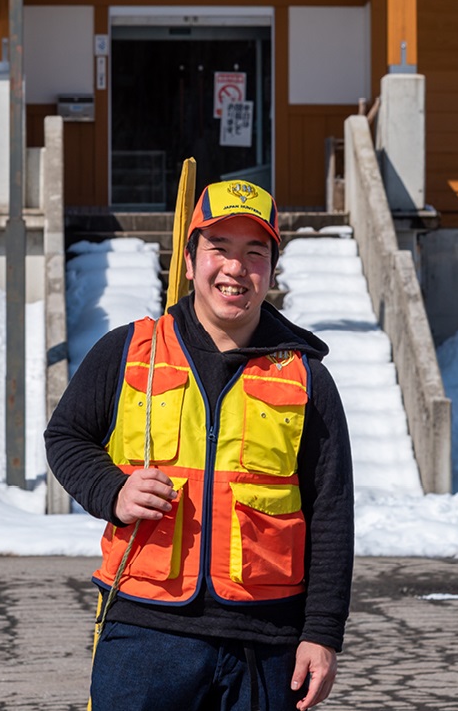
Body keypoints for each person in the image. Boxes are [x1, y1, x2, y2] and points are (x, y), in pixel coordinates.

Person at [45, 179, 355, 711]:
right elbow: (65, 437)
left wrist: (322, 633)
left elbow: (331, 511)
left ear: (272, 271)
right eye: (219, 249)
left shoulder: (305, 378)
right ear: (189, 262)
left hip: (267, 640)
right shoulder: (128, 351)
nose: (235, 268)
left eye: (254, 253)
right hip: (145, 629)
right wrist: (112, 491)